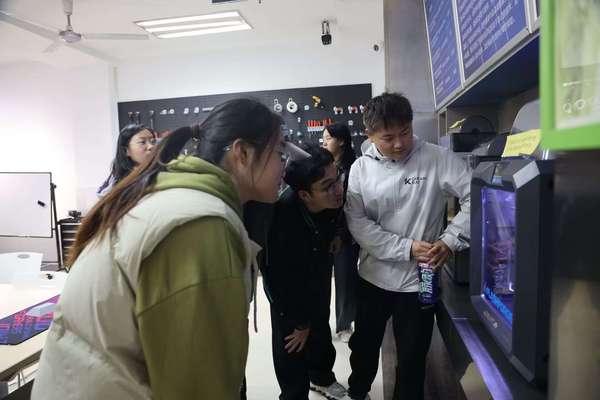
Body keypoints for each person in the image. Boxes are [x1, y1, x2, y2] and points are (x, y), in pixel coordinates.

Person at [32, 98, 294, 400]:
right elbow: (196, 388)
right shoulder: (200, 225)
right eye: (279, 153)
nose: (284, 166)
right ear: (242, 153)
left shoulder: (181, 200)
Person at [344, 93, 471, 400]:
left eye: (405, 132)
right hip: (373, 276)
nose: (400, 144)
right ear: (370, 135)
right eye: (388, 138)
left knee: (413, 355)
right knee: (364, 346)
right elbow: (358, 223)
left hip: (421, 279)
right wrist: (406, 247)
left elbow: (476, 198)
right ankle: (358, 391)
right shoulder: (361, 169)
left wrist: (450, 240)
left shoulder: (437, 158)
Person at [263, 146, 347, 400]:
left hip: (318, 266)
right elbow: (278, 280)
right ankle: (293, 395)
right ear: (304, 195)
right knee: (292, 343)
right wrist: (300, 322)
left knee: (320, 321)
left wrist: (337, 234)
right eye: (328, 186)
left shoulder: (333, 198)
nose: (338, 190)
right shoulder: (282, 218)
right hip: (286, 288)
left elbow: (339, 215)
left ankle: (321, 377)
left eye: (338, 179)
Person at [322, 123, 359, 342]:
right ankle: (319, 323)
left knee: (345, 280)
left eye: (328, 138)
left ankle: (344, 325)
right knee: (320, 280)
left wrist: (341, 234)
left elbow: (352, 206)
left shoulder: (354, 168)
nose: (324, 142)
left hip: (346, 233)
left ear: (342, 141)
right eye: (324, 138)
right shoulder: (323, 165)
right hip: (323, 232)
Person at [97, 123, 157, 196]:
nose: (151, 146)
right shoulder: (117, 182)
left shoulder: (161, 172)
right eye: (142, 142)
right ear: (126, 150)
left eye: (153, 141)